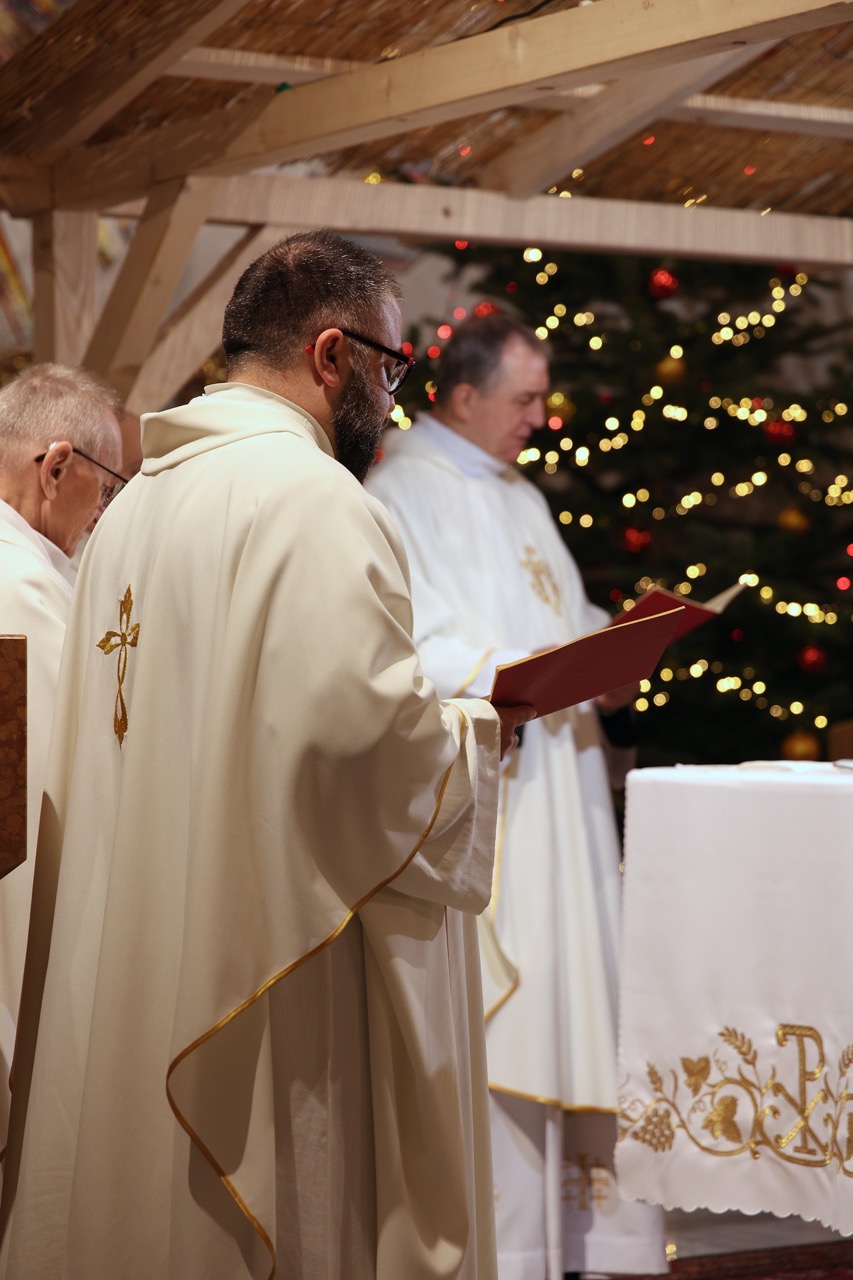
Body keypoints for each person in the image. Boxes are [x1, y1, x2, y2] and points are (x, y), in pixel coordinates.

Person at [0, 232, 534, 1280]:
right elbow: (360, 744)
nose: (392, 399)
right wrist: (479, 732)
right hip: (263, 967)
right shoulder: (313, 500)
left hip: (144, 951)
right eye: (390, 366)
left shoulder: (134, 505)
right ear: (331, 354)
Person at [366, 314, 667, 1279]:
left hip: (563, 792)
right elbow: (406, 647)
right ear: (461, 397)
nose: (539, 418)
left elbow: (562, 616)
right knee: (516, 1015)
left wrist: (611, 658)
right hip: (501, 791)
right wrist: (522, 668)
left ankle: (586, 1242)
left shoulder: (521, 494)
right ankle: (514, 1249)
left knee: (574, 1000)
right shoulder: (401, 493)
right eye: (523, 399)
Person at [0, 362, 123, 1159]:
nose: (105, 511)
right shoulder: (21, 591)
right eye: (106, 486)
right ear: (55, 467)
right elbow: (54, 797)